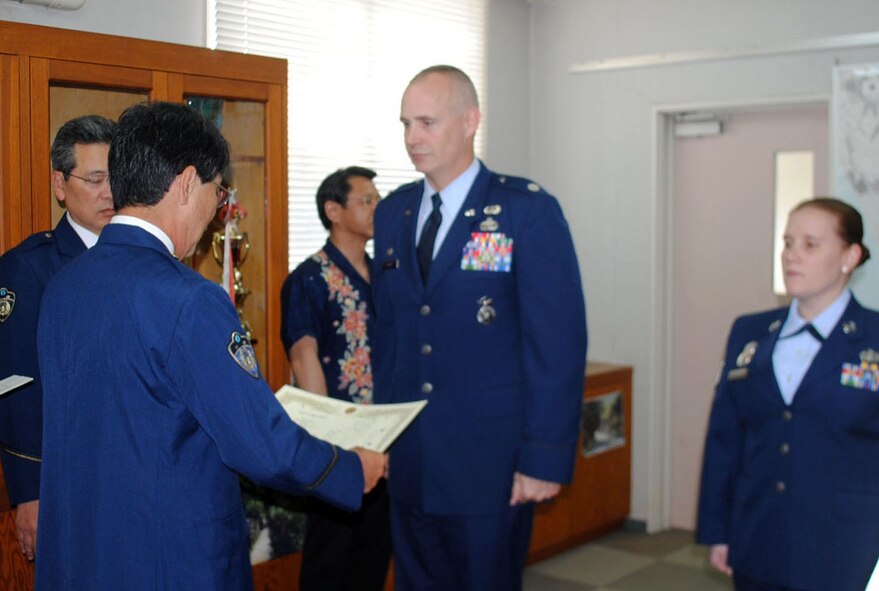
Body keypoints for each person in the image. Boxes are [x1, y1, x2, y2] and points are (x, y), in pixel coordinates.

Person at [34, 101, 386, 590]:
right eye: (217, 193)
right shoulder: (189, 299)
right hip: (171, 561)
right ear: (185, 183)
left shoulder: (62, 287)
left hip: (81, 555)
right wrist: (349, 469)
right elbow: (261, 444)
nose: (217, 211)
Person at [372, 65, 588, 591]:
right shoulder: (394, 212)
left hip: (489, 464)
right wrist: (379, 440)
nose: (412, 139)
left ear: (471, 121)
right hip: (411, 459)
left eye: (427, 122)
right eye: (405, 124)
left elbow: (556, 345)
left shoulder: (524, 211)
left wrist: (544, 458)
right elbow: (390, 337)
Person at [697, 197, 879, 591]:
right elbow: (725, 437)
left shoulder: (874, 337)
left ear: (850, 256)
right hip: (760, 535)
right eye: (788, 243)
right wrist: (719, 529)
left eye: (810, 245)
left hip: (849, 547)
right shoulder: (750, 331)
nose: (792, 256)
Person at [0, 114, 116, 562]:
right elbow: (15, 386)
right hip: (65, 480)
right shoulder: (28, 268)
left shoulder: (139, 261)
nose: (109, 192)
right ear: (60, 185)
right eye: (94, 178)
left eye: (116, 178)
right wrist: (29, 492)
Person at [280, 166, 391, 591]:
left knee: (374, 555)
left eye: (378, 200)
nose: (376, 208)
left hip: (385, 440)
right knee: (331, 561)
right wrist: (332, 444)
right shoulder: (309, 279)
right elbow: (305, 358)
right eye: (366, 200)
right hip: (338, 449)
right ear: (333, 210)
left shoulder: (385, 275)